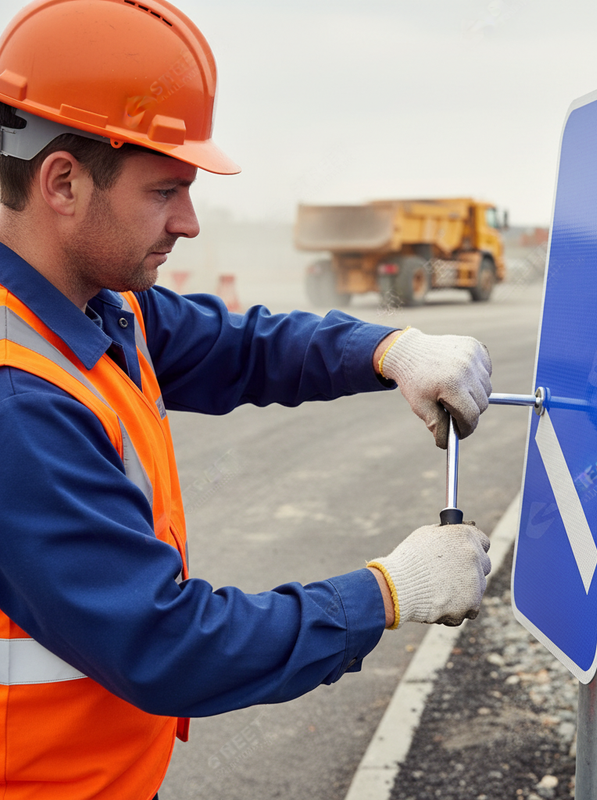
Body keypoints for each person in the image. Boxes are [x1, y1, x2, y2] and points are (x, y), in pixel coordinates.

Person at [0, 1, 493, 798]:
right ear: (62, 182)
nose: (190, 222)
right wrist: (389, 592)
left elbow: (241, 345)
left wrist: (389, 350)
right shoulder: (16, 399)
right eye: (165, 190)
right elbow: (165, 646)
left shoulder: (96, 306)